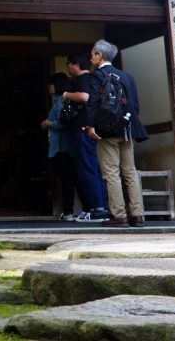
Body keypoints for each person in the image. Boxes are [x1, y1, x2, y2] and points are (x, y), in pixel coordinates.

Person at [84, 39, 149, 228]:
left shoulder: (96, 76)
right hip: (127, 129)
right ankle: (138, 215)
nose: (91, 57)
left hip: (107, 131)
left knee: (111, 173)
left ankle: (118, 215)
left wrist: (90, 126)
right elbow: (135, 105)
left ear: (99, 55)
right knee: (130, 171)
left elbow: (93, 103)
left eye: (93, 54)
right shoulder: (127, 76)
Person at [62, 51, 110, 222]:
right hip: (92, 130)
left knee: (88, 169)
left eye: (69, 63)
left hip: (84, 130)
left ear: (75, 64)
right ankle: (97, 207)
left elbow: (84, 97)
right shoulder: (94, 79)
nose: (68, 67)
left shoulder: (83, 79)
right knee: (93, 169)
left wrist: (66, 95)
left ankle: (97, 208)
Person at [41, 72, 82, 221]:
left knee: (67, 180)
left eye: (50, 84)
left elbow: (66, 123)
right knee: (70, 180)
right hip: (65, 146)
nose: (49, 88)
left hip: (62, 146)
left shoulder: (62, 101)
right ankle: (71, 210)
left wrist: (48, 123)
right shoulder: (59, 100)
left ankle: (69, 211)